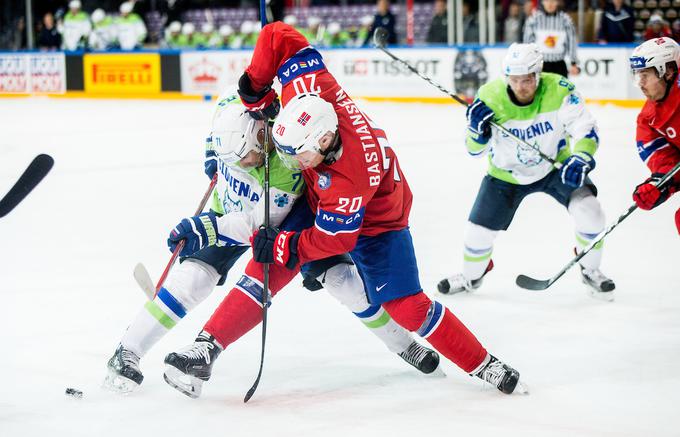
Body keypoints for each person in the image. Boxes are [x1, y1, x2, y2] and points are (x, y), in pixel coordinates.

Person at [163, 22, 526, 398]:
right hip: (328, 204)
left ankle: (482, 363)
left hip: (378, 223)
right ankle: (206, 347)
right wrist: (256, 85)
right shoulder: (311, 89)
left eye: (299, 156)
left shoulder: (349, 179)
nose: (292, 164)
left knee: (406, 307)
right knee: (272, 264)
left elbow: (336, 238)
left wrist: (291, 247)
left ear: (324, 140)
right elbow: (277, 36)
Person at [104, 91, 439, 394]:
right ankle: (127, 352)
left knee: (342, 282)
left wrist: (205, 227)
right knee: (192, 279)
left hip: (275, 221)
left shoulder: (286, 166)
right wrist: (212, 156)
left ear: (262, 137)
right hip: (227, 211)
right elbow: (216, 128)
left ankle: (402, 343)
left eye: (246, 158)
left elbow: (257, 226)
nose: (241, 165)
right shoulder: (232, 112)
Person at [437, 43, 615, 301]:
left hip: (555, 167)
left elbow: (584, 126)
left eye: (528, 79)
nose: (521, 86)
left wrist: (581, 157)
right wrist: (478, 132)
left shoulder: (559, 89)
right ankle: (471, 276)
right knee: (476, 235)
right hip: (504, 176)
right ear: (507, 76)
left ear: (538, 74)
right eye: (515, 79)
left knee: (591, 212)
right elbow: (474, 150)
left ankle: (590, 269)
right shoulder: (489, 96)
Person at [629, 37, 680, 234]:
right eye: (637, 76)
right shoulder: (647, 120)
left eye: (645, 75)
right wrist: (659, 185)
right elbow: (667, 163)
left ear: (667, 72)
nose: (640, 84)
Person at [523, 0, 580, 77]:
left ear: (557, 2)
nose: (550, 4)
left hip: (559, 65)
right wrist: (527, 61)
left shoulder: (565, 20)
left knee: (561, 89)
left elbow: (571, 41)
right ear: (542, 2)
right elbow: (528, 43)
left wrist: (573, 63)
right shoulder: (534, 20)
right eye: (547, 1)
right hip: (539, 65)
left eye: (553, 1)